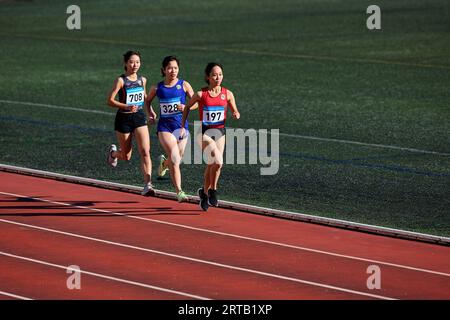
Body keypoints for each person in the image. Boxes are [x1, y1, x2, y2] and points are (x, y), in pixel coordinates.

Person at [181, 62, 240, 211]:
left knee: (214, 165)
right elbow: (187, 106)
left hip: (220, 133)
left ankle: (204, 193)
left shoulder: (227, 94)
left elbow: (234, 108)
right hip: (204, 134)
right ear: (208, 77)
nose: (218, 77)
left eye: (220, 74)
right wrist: (182, 126)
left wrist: (235, 113)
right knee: (218, 161)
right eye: (214, 75)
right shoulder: (201, 94)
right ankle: (213, 190)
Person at [145, 55, 197, 202]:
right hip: (165, 127)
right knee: (175, 158)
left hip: (181, 127)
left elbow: (196, 103)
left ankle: (163, 164)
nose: (173, 71)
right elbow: (147, 101)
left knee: (177, 159)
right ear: (164, 70)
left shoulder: (184, 85)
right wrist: (151, 113)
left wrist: (186, 106)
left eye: (175, 68)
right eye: (169, 68)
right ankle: (179, 192)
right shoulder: (157, 88)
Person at [106, 50, 157, 197]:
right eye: (132, 62)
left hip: (139, 118)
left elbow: (145, 98)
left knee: (145, 152)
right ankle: (113, 153)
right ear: (126, 64)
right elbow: (109, 100)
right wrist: (125, 106)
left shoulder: (142, 80)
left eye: (137, 62)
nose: (135, 65)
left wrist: (150, 112)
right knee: (126, 156)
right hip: (124, 119)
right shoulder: (121, 81)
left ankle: (148, 184)